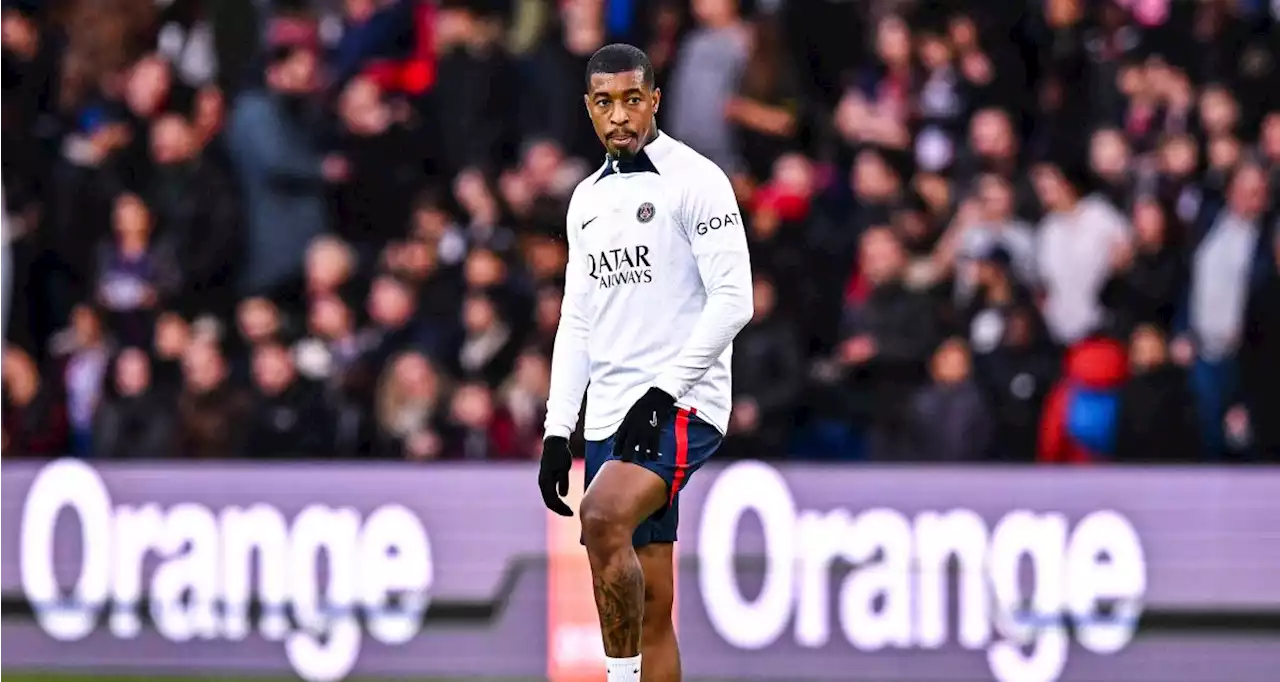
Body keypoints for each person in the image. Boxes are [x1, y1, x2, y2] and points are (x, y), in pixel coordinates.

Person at [537, 44, 753, 682]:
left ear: (654, 100)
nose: (620, 116)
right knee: (652, 608)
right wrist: (556, 429)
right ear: (589, 109)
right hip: (608, 413)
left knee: (600, 516)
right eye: (605, 103)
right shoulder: (585, 201)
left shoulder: (697, 180)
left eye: (633, 99)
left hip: (681, 404)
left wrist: (665, 391)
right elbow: (577, 320)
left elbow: (734, 298)